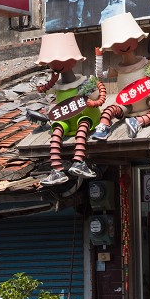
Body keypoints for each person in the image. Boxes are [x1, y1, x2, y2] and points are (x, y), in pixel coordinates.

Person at [34, 32, 106, 186]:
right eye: (52, 61)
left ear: (73, 60)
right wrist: (51, 82)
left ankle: (79, 161)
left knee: (83, 125)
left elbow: (96, 96)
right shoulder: (57, 86)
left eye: (61, 59)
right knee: (57, 130)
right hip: (66, 118)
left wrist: (92, 97)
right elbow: (42, 90)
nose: (56, 63)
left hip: (85, 116)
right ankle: (56, 169)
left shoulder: (84, 81)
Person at [91, 12, 150, 142]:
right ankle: (103, 126)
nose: (123, 44)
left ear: (136, 39)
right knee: (109, 110)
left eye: (127, 39)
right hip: (127, 104)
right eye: (117, 42)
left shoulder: (148, 63)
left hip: (148, 99)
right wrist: (99, 56)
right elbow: (100, 75)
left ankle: (138, 122)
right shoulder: (118, 70)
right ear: (112, 48)